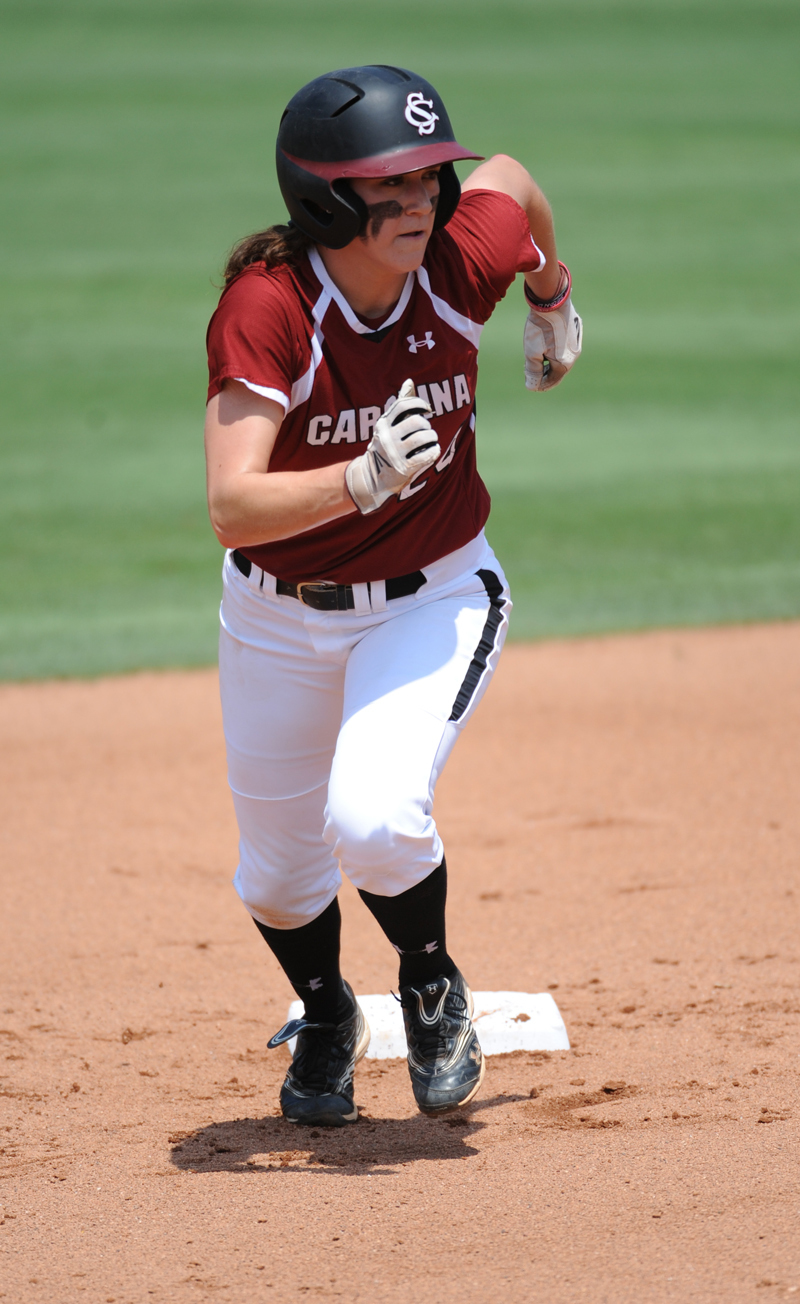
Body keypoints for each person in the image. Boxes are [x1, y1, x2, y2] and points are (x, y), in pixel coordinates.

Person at [204, 65, 582, 1128]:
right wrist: (357, 478)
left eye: (427, 178)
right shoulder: (268, 307)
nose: (420, 200)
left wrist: (551, 295)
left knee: (371, 816)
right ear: (325, 200)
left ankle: (427, 977)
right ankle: (326, 1009)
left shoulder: (457, 263)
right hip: (277, 616)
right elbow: (232, 505)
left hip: (433, 594)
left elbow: (512, 178)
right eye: (391, 185)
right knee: (277, 877)